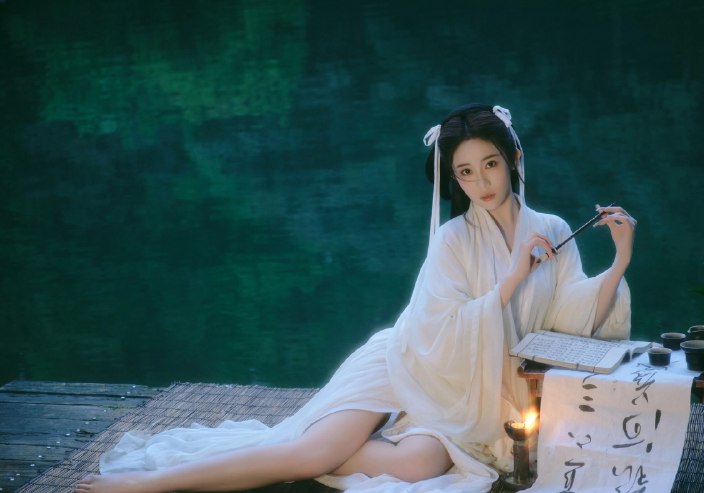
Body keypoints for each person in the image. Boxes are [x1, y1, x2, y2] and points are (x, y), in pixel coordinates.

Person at [75, 103, 636, 493]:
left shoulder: (551, 228)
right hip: (408, 364)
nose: (481, 182)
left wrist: (619, 261)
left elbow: (566, 321)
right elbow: (435, 332)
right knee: (307, 456)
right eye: (465, 172)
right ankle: (149, 484)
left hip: (475, 394)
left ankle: (332, 442)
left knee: (417, 467)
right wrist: (512, 276)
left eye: (490, 164)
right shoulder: (453, 239)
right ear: (454, 180)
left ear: (512, 157)